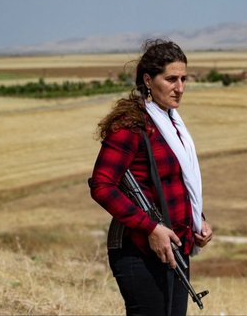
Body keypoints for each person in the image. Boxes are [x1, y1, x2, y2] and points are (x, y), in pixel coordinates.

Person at [89, 39, 212, 316]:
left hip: (175, 245)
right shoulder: (131, 127)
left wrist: (198, 219)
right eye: (170, 79)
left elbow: (179, 182)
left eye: (183, 79)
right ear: (148, 80)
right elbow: (101, 185)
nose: (179, 88)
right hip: (139, 249)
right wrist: (150, 228)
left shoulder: (172, 124)